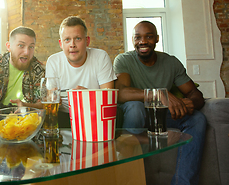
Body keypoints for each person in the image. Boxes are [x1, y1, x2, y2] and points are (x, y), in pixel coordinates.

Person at [113, 20, 206, 185]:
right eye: (137, 37)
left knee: (198, 118)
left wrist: (190, 103)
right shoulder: (124, 60)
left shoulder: (171, 62)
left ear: (156, 38)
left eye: (148, 37)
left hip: (162, 115)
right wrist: (158, 94)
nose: (142, 41)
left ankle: (182, 182)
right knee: (135, 108)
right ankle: (128, 178)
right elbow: (120, 92)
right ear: (133, 40)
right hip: (138, 115)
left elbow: (195, 93)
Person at [45, 16, 117, 128]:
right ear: (61, 44)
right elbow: (51, 99)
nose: (72, 44)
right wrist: (53, 99)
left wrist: (89, 96)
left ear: (87, 41)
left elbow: (109, 100)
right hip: (64, 115)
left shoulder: (101, 57)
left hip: (94, 113)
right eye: (67, 40)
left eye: (78, 38)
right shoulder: (53, 61)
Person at [0, 26, 45, 112]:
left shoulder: (39, 69)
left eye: (31, 47)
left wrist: (25, 106)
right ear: (9, 46)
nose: (26, 52)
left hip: (25, 118)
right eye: (21, 45)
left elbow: (44, 103)